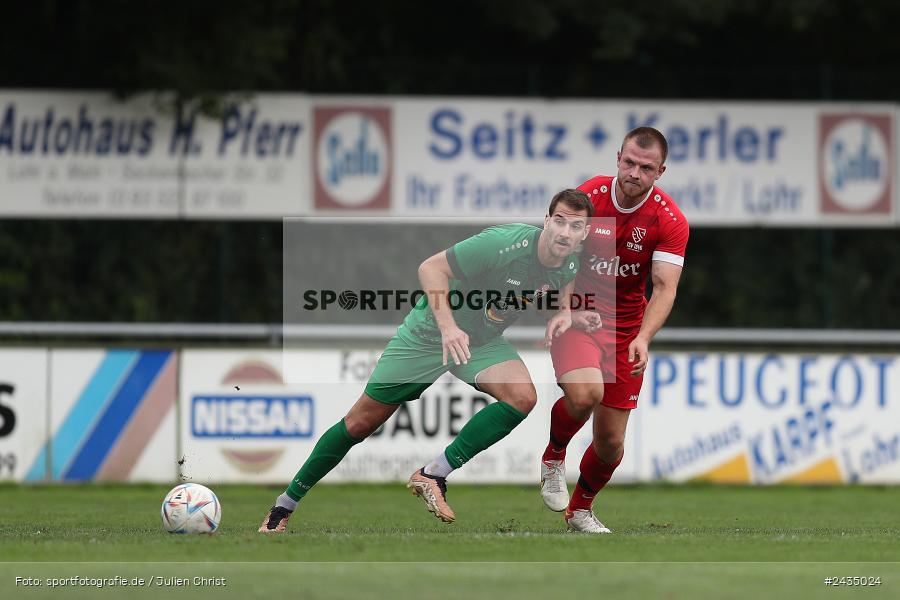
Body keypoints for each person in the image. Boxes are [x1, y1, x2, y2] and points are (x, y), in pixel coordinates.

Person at [260, 189, 596, 532]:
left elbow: (560, 281)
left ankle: (433, 473)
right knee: (359, 424)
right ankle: (283, 507)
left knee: (522, 397)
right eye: (559, 221)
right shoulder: (502, 244)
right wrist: (449, 328)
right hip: (429, 336)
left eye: (575, 226)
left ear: (584, 233)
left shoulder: (570, 260)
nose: (564, 232)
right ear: (545, 221)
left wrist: (566, 312)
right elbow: (431, 268)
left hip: (480, 342)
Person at [539, 127, 690, 533]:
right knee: (587, 393)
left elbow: (664, 288)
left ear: (660, 171)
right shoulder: (588, 198)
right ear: (617, 157)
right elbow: (560, 255)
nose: (634, 173)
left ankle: (580, 511)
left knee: (610, 443)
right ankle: (554, 456)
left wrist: (643, 337)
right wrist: (566, 307)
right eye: (629, 162)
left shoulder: (670, 220)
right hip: (581, 314)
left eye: (645, 167)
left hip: (626, 329)